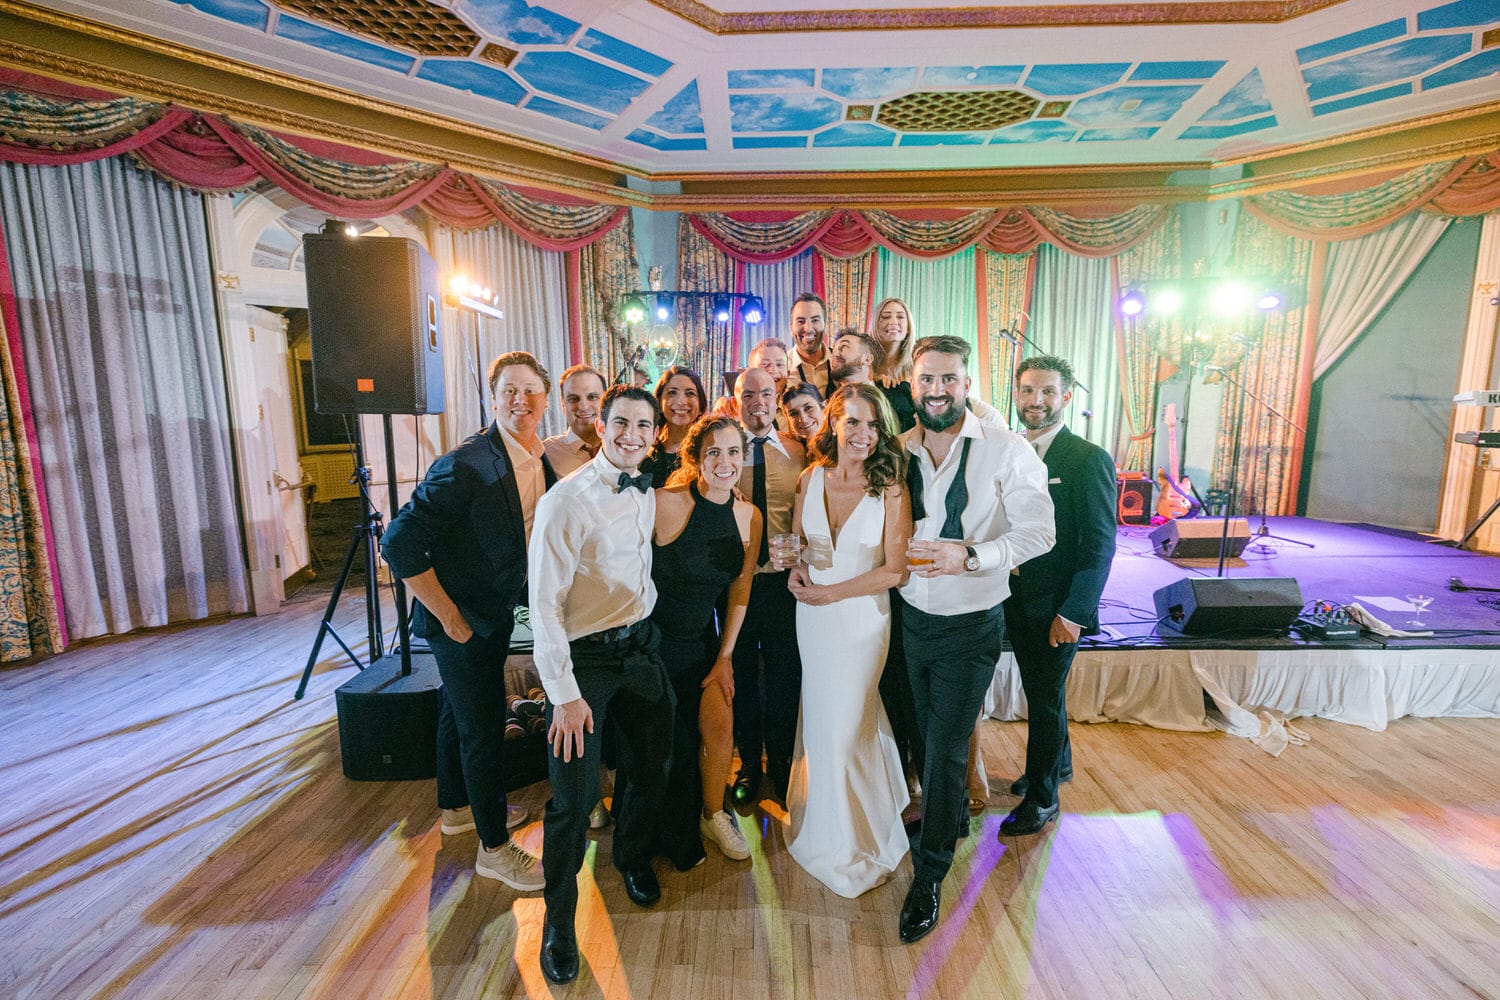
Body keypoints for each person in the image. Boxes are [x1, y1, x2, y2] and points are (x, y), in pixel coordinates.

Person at [895, 335, 1055, 945]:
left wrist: (973, 556)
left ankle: (930, 872)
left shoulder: (1007, 450)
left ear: (967, 383)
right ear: (913, 385)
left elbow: (1040, 532)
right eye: (927, 379)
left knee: (944, 747)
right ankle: (951, 818)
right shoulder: (899, 450)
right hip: (910, 616)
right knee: (923, 734)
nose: (937, 390)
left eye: (949, 379)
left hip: (970, 623)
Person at [380, 352, 555, 891]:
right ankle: (494, 850)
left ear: (544, 399)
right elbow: (399, 542)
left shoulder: (533, 452)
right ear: (491, 395)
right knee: (481, 729)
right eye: (509, 391)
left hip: (492, 609)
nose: (520, 401)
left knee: (456, 714)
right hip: (462, 619)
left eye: (530, 391)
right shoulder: (466, 463)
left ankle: (457, 809)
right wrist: (452, 620)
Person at [528, 385, 676, 986]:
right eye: (621, 423)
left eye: (644, 425)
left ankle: (632, 859)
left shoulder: (645, 488)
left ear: (654, 433)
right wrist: (562, 694)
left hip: (641, 649)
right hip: (583, 665)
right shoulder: (566, 501)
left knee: (651, 767)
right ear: (600, 424)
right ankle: (559, 924)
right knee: (572, 799)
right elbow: (543, 605)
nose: (631, 435)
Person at [785, 382, 912, 897]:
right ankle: (844, 822)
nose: (863, 434)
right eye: (853, 421)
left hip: (861, 621)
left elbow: (897, 571)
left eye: (873, 424)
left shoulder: (892, 488)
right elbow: (797, 545)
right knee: (824, 725)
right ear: (834, 422)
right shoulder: (809, 478)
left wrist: (832, 591)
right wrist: (792, 570)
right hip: (812, 620)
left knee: (845, 729)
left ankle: (855, 843)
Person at [1002, 355, 1116, 836]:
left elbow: (1099, 545)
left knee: (1045, 699)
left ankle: (1044, 798)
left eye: (1047, 391)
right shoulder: (1006, 451)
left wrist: (1073, 613)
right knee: (1040, 691)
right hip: (1010, 597)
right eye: (1028, 390)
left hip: (1056, 607)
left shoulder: (1087, 459)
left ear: (1066, 397)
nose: (1036, 400)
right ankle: (1056, 764)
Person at [650, 416, 762, 869]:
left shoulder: (747, 515)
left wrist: (726, 656)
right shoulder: (663, 503)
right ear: (696, 459)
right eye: (713, 452)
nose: (725, 461)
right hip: (652, 644)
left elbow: (740, 590)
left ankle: (713, 814)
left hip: (704, 641)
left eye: (734, 452)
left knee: (721, 731)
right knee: (665, 747)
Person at [728, 366, 807, 805]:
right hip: (736, 586)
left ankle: (782, 764)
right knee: (740, 679)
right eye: (748, 394)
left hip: (783, 586)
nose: (757, 401)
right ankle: (748, 766)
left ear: (776, 399)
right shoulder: (723, 449)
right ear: (736, 400)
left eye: (765, 393)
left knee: (784, 680)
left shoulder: (799, 451)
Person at [830, 327, 916, 432]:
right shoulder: (830, 404)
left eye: (844, 346)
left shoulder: (900, 392)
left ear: (867, 359)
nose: (835, 352)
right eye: (834, 348)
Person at [641, 366, 706, 484]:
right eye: (672, 393)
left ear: (700, 405)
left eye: (690, 393)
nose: (681, 402)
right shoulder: (645, 448)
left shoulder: (708, 450)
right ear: (660, 403)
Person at [543, 363, 606, 477]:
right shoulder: (546, 454)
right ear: (563, 405)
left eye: (592, 397)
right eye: (573, 399)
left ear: (606, 401)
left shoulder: (624, 447)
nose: (583, 406)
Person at [787, 293, 832, 396]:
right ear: (791, 328)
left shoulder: (841, 363)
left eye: (815, 320)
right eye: (801, 321)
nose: (808, 329)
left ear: (826, 326)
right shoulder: (781, 368)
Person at [869, 297, 915, 387]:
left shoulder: (918, 365)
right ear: (875, 325)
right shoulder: (863, 365)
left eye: (900, 317)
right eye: (885, 317)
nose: (893, 322)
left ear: (908, 327)